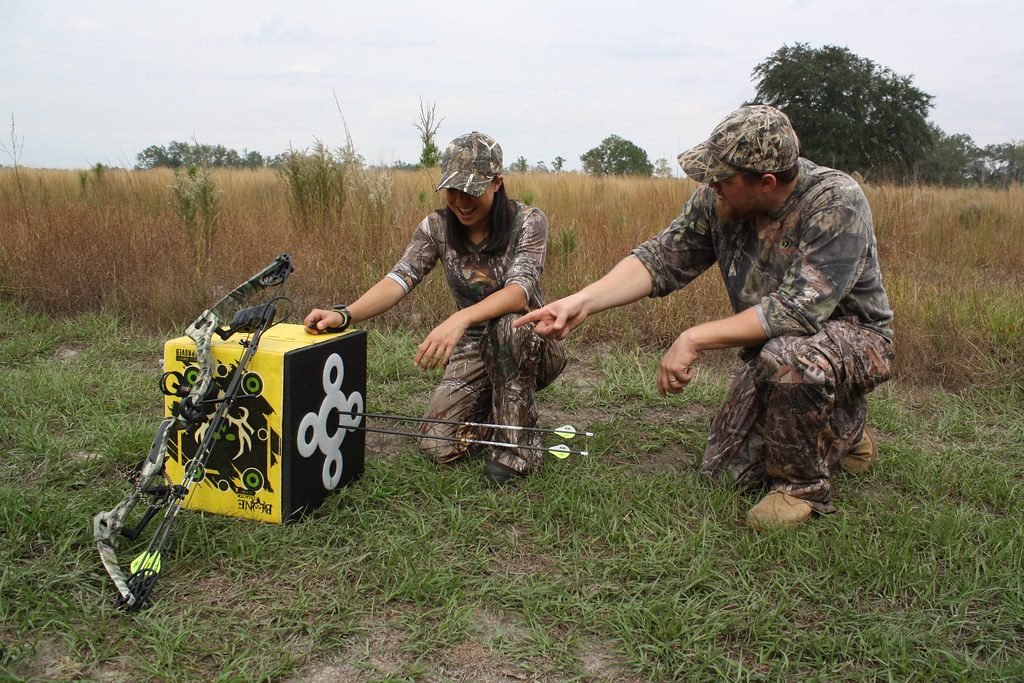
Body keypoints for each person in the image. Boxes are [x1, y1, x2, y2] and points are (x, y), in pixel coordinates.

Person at [516, 105, 894, 529]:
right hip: (773, 346)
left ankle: (802, 487)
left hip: (857, 341)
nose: (711, 185)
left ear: (766, 183)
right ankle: (841, 430)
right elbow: (660, 258)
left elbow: (795, 310)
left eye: (723, 179)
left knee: (790, 357)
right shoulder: (719, 202)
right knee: (724, 471)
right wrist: (581, 302)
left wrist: (692, 338)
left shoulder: (835, 202)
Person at [305, 131, 565, 484]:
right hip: (474, 349)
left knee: (508, 327)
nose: (461, 200)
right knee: (437, 446)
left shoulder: (528, 221)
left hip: (530, 340)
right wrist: (344, 314)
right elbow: (399, 279)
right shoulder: (437, 227)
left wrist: (460, 317)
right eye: (452, 189)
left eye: (471, 189)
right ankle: (503, 411)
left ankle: (517, 452)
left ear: (497, 183)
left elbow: (519, 293)